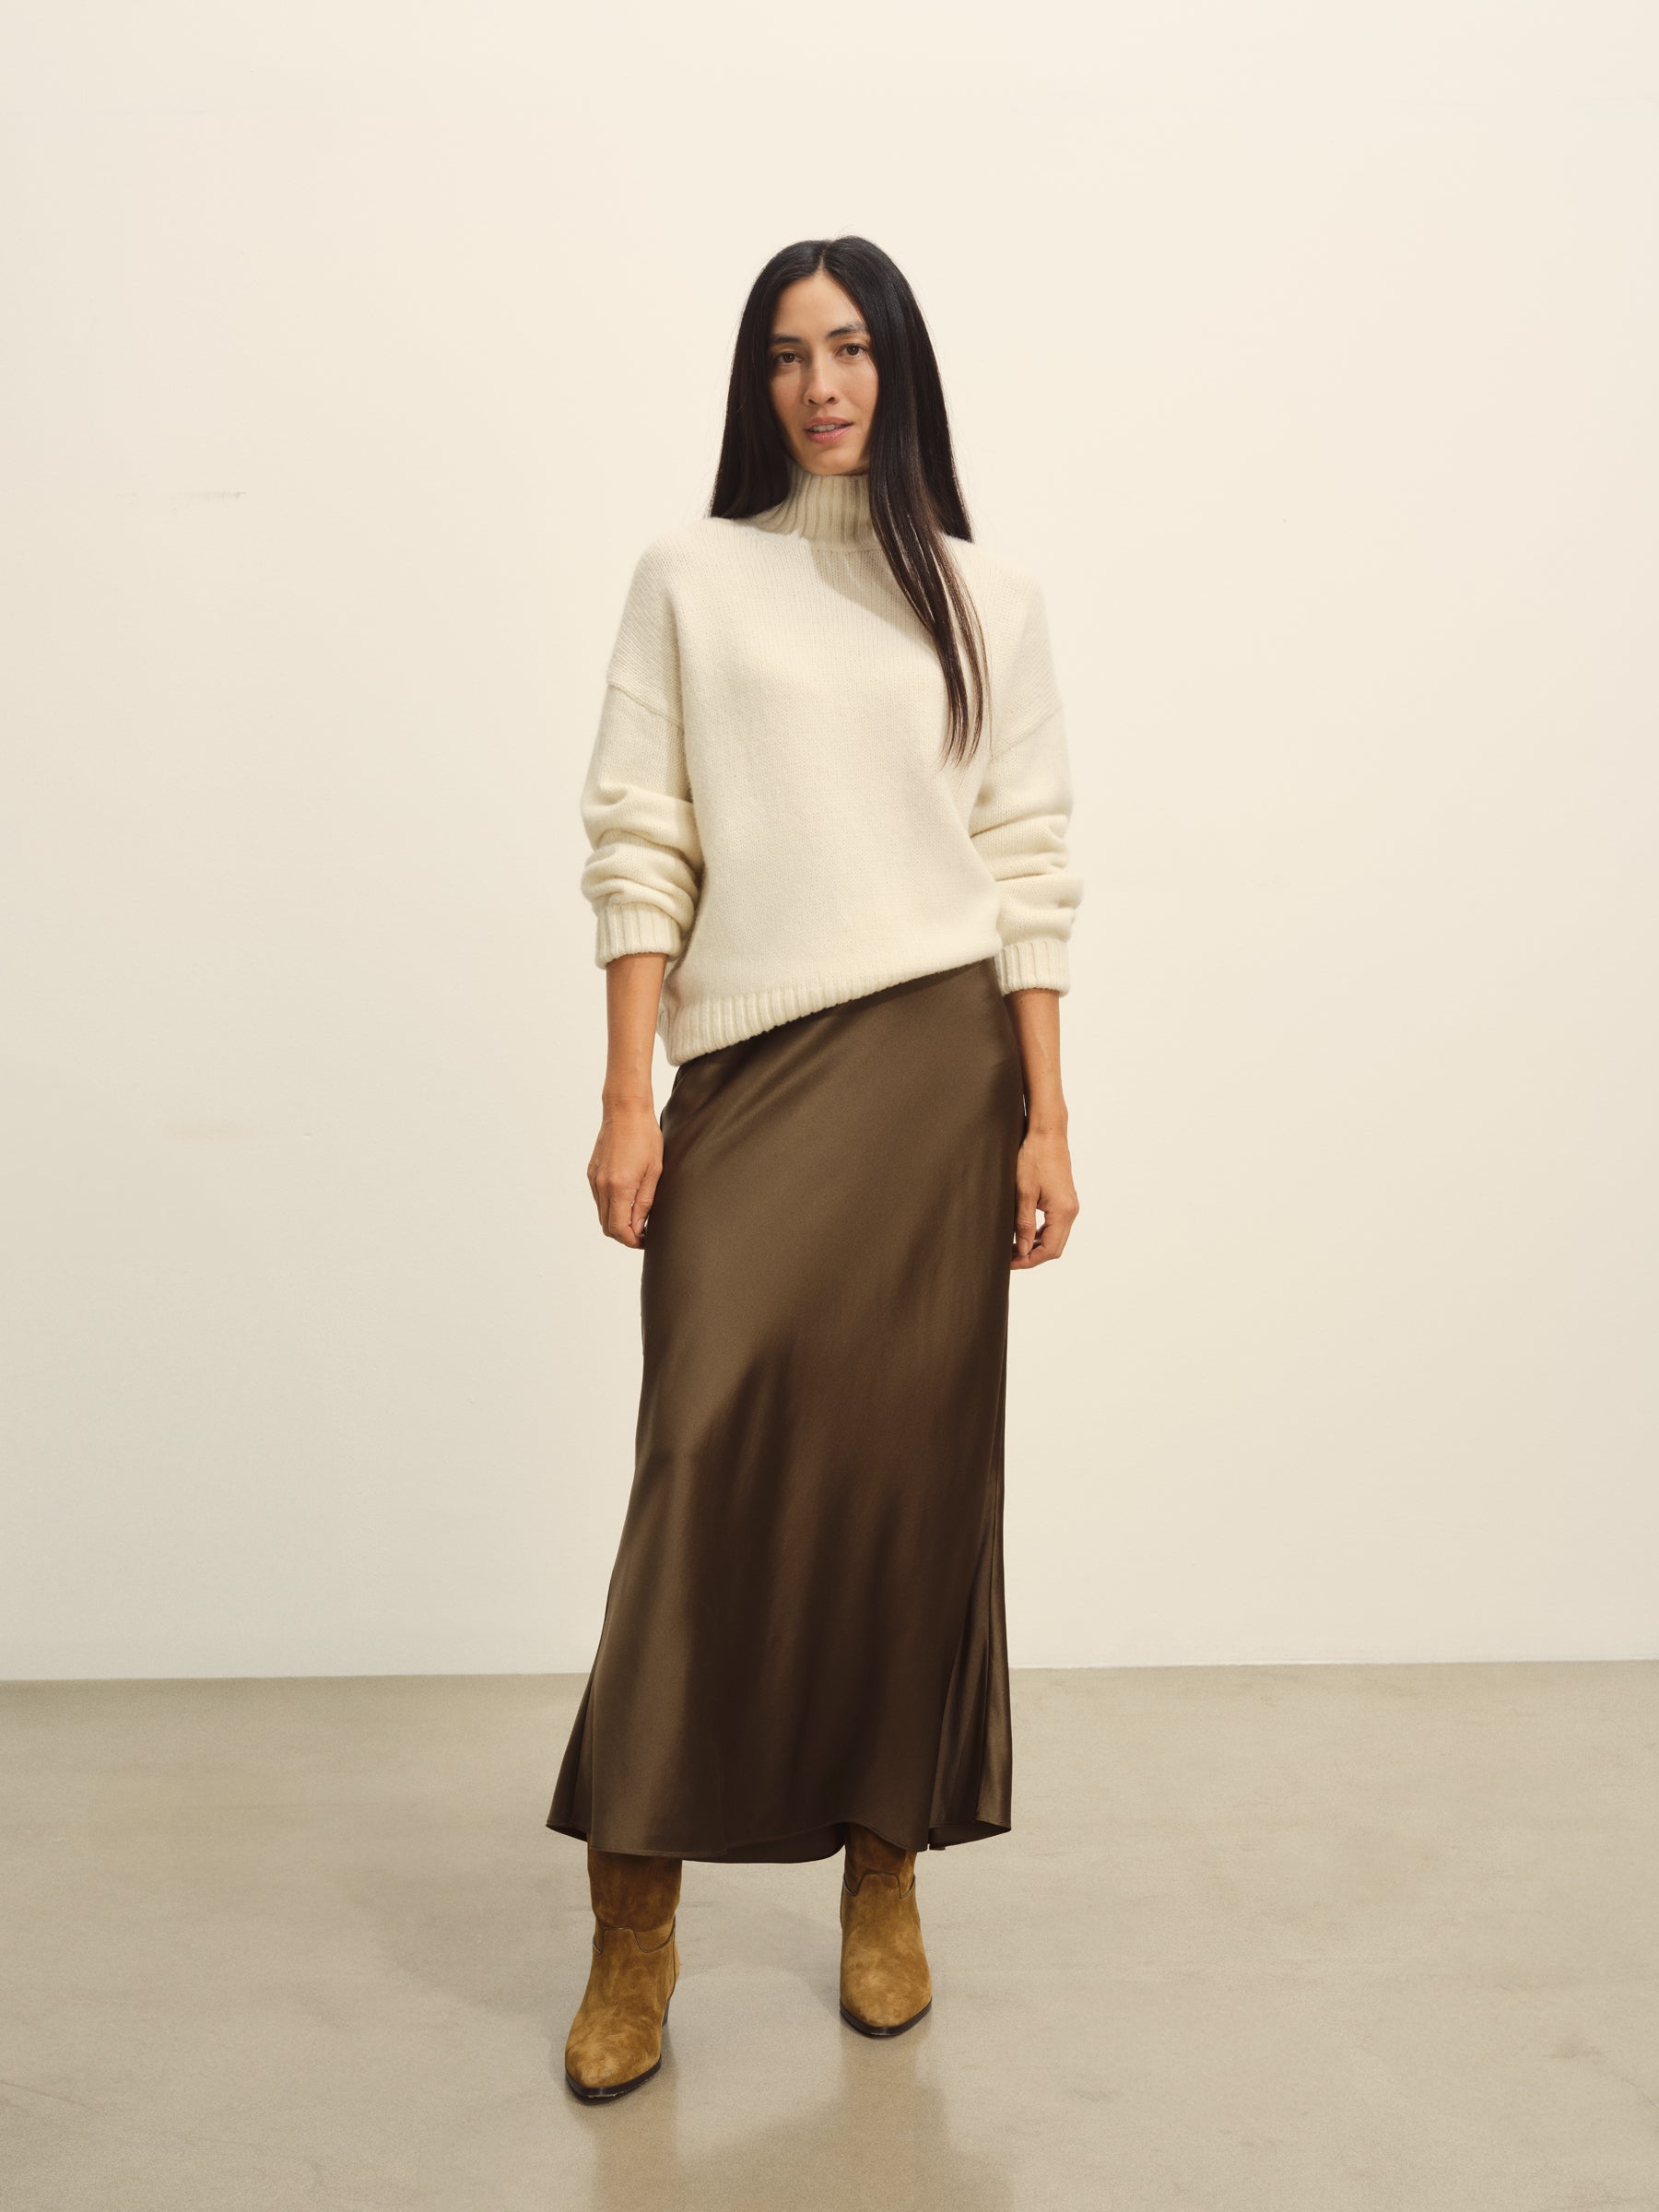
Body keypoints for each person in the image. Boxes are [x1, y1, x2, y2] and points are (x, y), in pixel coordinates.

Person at [548, 233, 1083, 2101]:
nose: (823, 383)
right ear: (754, 381)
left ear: (899, 365)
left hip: (940, 1074)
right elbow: (641, 834)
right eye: (788, 353)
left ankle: (885, 1877)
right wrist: (630, 1093)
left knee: (904, 1487)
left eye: (851, 348)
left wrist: (1048, 1114)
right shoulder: (692, 577)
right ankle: (635, 1920)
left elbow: (1028, 859)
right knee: (701, 1462)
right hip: (750, 1069)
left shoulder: (990, 599)